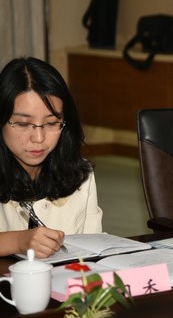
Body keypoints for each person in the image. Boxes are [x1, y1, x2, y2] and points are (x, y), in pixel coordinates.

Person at [0, 57, 102, 258]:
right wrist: (18, 241)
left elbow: (94, 247)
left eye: (51, 123)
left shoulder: (79, 173)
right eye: (23, 124)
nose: (38, 138)